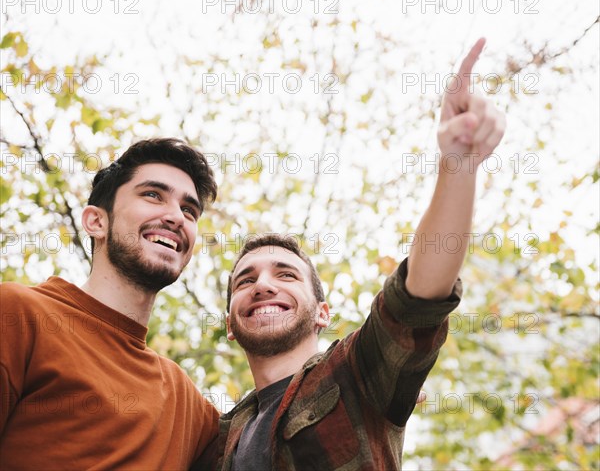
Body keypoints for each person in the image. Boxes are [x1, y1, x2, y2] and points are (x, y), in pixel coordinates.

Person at [211, 38, 506, 470]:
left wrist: (458, 164)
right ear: (230, 326)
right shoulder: (217, 439)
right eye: (246, 280)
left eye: (286, 275)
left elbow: (417, 298)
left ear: (322, 313)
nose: (263, 285)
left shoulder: (358, 374)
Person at [0, 138, 220, 469]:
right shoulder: (18, 314)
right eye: (152, 195)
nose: (176, 216)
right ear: (96, 222)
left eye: (189, 210)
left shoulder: (187, 403)